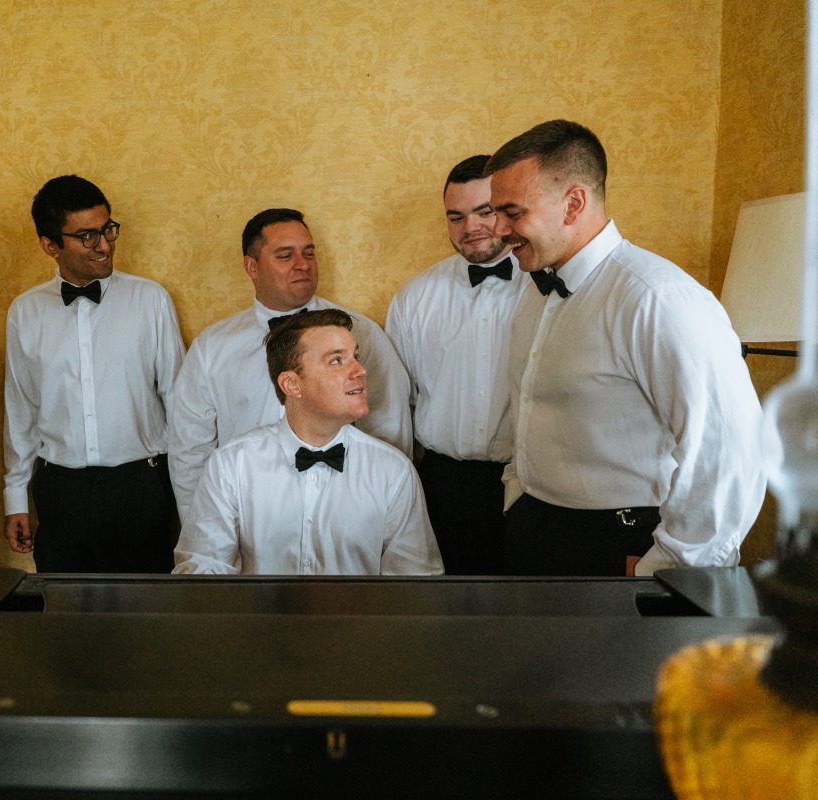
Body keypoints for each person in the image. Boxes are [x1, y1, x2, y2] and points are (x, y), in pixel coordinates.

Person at [484, 119, 765, 576]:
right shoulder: (533, 294)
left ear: (573, 203)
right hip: (536, 531)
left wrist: (669, 568)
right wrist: (518, 495)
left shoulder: (657, 299)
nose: (496, 229)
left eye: (512, 212)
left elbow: (731, 448)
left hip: (625, 545)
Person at [168, 208, 412, 519]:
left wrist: (381, 514)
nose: (303, 264)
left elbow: (391, 428)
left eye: (309, 253)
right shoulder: (211, 348)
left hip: (344, 513)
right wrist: (199, 527)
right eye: (285, 255)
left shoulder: (362, 332)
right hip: (247, 513)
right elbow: (190, 450)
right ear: (251, 267)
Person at [3, 175, 185, 572]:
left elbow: (178, 400)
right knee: (65, 623)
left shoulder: (150, 299)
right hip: (61, 493)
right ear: (50, 245)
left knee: (148, 620)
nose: (104, 245)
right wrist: (15, 495)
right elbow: (22, 408)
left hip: (142, 488)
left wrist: (190, 498)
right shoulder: (24, 312)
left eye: (107, 230)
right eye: (87, 236)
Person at [173, 309, 443, 576]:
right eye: (336, 361)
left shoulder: (393, 471)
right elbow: (201, 571)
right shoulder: (231, 465)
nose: (360, 370)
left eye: (356, 357)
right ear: (291, 384)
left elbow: (415, 583)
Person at [386, 155, 523, 574]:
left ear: (507, 211)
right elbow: (397, 402)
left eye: (484, 212)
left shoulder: (548, 288)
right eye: (456, 216)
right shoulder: (413, 298)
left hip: (529, 483)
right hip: (443, 487)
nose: (470, 228)